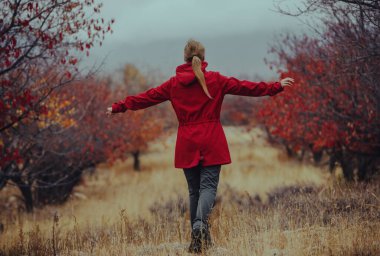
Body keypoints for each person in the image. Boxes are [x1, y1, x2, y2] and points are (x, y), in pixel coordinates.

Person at [106, 39, 294, 253]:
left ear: (184, 58)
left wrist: (118, 107)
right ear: (203, 58)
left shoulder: (173, 84)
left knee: (194, 191)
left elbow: (146, 98)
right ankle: (199, 226)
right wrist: (276, 86)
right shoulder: (216, 79)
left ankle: (198, 242)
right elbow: (247, 88)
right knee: (208, 188)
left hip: (187, 140)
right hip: (211, 139)